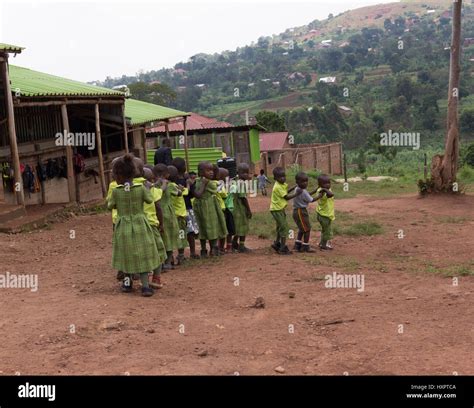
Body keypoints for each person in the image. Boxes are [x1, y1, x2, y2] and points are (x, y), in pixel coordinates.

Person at [107, 154, 161, 297]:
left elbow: (109, 205)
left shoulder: (116, 191)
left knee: (126, 255)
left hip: (123, 226)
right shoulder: (141, 188)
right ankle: (145, 287)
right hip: (140, 224)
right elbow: (150, 200)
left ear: (118, 176)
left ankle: (127, 284)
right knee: (142, 254)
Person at [193, 161, 227, 257]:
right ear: (200, 172)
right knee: (212, 226)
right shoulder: (210, 183)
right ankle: (213, 249)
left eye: (212, 170)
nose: (211, 172)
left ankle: (203, 249)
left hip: (199, 207)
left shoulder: (196, 181)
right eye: (208, 170)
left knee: (202, 227)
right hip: (209, 206)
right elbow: (218, 191)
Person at [143, 167, 167, 289]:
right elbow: (158, 206)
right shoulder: (151, 189)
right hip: (152, 224)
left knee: (142, 252)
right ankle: (156, 278)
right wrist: (161, 224)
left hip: (138, 226)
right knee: (158, 251)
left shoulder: (132, 188)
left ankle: (144, 281)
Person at [152, 164, 179, 270]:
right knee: (168, 236)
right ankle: (168, 261)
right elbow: (179, 193)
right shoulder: (170, 185)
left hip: (158, 213)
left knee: (161, 237)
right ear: (167, 175)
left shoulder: (153, 186)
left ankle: (163, 261)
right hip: (168, 213)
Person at [172, 158, 200, 259]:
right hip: (186, 209)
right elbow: (191, 194)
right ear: (184, 168)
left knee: (182, 232)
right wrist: (191, 184)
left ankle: (181, 253)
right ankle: (192, 252)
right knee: (190, 232)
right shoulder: (185, 181)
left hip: (178, 211)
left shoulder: (173, 181)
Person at [270, 167, 301, 255]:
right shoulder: (278, 187)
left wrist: (294, 187)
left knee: (280, 227)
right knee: (283, 227)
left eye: (284, 176)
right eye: (280, 177)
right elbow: (286, 197)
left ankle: (277, 243)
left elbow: (285, 192)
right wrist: (296, 194)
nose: (283, 178)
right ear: (275, 178)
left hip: (279, 209)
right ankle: (282, 248)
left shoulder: (280, 185)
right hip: (277, 209)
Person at [292, 171, 323, 253]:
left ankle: (297, 245)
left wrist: (315, 190)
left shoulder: (298, 188)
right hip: (300, 211)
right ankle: (305, 246)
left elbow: (307, 195)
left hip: (297, 211)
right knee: (307, 229)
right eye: (303, 181)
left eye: (306, 181)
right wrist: (320, 196)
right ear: (297, 182)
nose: (305, 183)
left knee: (302, 229)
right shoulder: (303, 191)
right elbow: (311, 199)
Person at [168, 164, 189, 264]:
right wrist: (186, 186)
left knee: (171, 236)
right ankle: (180, 255)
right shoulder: (173, 186)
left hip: (172, 215)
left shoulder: (166, 186)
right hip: (179, 215)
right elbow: (184, 193)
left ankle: (170, 256)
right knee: (181, 235)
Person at [230, 163, 252, 253]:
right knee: (243, 226)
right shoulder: (241, 183)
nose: (246, 175)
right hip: (240, 208)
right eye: (244, 173)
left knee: (237, 226)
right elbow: (243, 198)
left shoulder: (234, 180)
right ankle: (242, 246)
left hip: (233, 208)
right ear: (238, 172)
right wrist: (248, 210)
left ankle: (234, 243)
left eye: (247, 173)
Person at [316, 174, 335, 251]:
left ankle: (321, 243)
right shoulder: (322, 193)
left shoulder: (324, 189)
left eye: (329, 183)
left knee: (324, 230)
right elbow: (331, 194)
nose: (328, 185)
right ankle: (324, 246)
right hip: (324, 215)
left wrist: (324, 188)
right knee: (327, 231)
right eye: (325, 183)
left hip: (326, 214)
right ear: (320, 185)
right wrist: (324, 190)